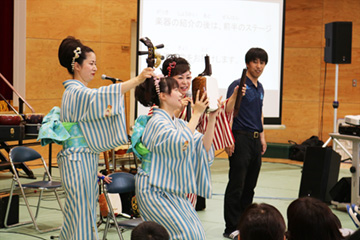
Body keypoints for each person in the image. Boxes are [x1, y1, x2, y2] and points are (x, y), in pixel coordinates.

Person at [38, 36, 154, 240]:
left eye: (95, 64)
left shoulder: (79, 91)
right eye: (91, 63)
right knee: (81, 213)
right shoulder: (74, 91)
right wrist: (136, 80)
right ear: (76, 66)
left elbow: (96, 106)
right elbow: (99, 96)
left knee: (82, 212)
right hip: (77, 159)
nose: (94, 68)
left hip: (84, 158)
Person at [133, 76, 220, 239]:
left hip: (170, 187)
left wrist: (212, 116)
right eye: (175, 89)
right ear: (163, 96)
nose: (182, 93)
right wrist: (197, 114)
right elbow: (180, 143)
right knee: (186, 234)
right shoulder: (156, 122)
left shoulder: (177, 123)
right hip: (153, 189)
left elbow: (203, 147)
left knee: (196, 233)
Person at [160, 55, 244, 208]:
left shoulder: (192, 102)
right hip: (171, 165)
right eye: (180, 78)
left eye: (188, 77)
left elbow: (217, 111)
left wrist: (234, 96)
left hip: (189, 162)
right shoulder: (163, 104)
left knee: (188, 206)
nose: (185, 82)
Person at [223, 47, 268, 238]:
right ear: (247, 64)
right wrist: (227, 138)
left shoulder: (260, 87)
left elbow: (259, 113)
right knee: (237, 184)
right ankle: (231, 227)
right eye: (255, 62)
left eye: (262, 62)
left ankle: (245, 224)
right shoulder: (238, 84)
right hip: (240, 138)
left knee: (250, 185)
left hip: (256, 140)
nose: (258, 66)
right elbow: (227, 111)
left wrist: (263, 136)